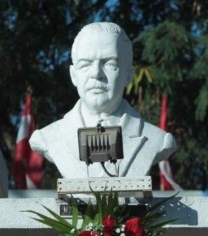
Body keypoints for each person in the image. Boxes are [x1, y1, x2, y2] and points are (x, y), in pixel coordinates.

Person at [30, 22, 177, 178]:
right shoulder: (48, 137)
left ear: (128, 74)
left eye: (110, 64)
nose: (96, 73)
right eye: (85, 64)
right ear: (74, 75)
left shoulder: (158, 140)